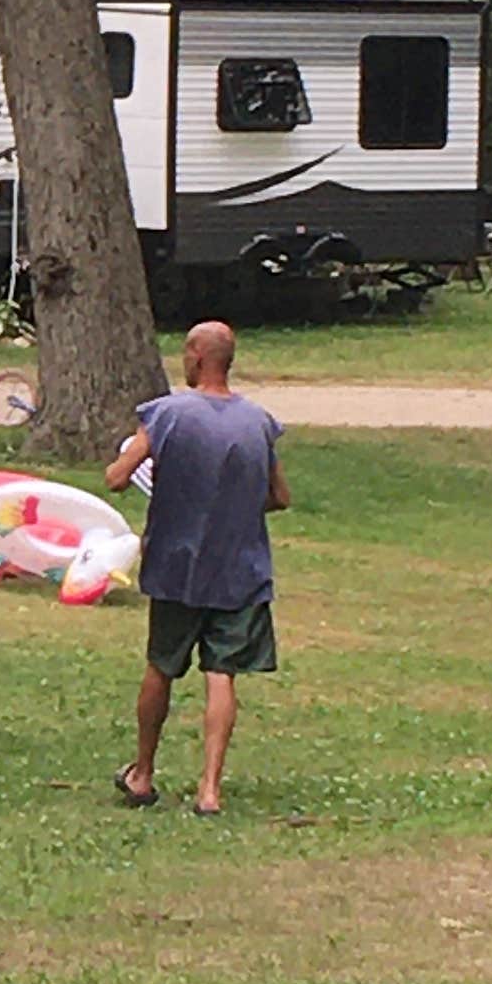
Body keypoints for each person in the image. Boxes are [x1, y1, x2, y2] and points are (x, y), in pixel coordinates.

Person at [104, 318, 288, 816]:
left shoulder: (166, 414)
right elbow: (279, 496)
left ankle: (142, 774)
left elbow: (117, 477)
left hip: (177, 569)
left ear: (195, 356)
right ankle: (210, 789)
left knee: (162, 666)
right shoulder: (259, 422)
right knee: (221, 672)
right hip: (240, 570)